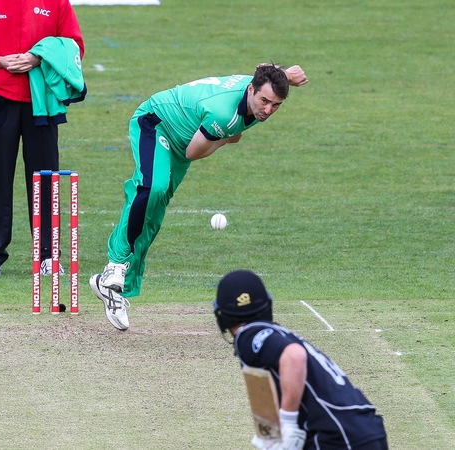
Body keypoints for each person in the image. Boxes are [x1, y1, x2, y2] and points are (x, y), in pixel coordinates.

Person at [89, 63, 308, 331]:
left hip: (182, 143)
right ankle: (115, 264)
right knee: (152, 188)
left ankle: (113, 288)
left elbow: (264, 69)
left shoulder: (260, 87)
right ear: (250, 89)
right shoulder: (223, 114)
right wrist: (227, 138)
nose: (267, 110)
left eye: (275, 105)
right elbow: (195, 153)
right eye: (264, 101)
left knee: (154, 213)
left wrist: (285, 74)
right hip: (155, 122)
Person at [0, 0, 85, 277]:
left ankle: (48, 256)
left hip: (43, 103)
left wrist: (39, 58)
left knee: (45, 178)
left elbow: (74, 45)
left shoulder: (56, 3)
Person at [213, 270, 388, 450]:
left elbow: (294, 355)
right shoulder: (270, 333)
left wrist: (287, 424)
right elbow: (264, 388)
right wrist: (269, 436)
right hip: (361, 429)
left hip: (339, 437)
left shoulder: (248, 336)